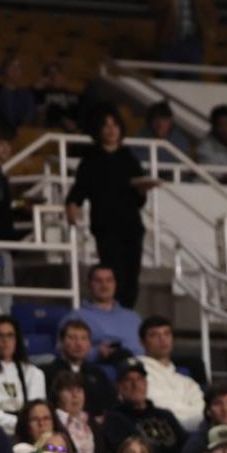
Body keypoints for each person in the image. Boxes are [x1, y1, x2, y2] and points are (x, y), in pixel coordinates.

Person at [65, 107, 153, 309]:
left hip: (131, 225)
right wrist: (72, 205)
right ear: (99, 130)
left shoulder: (128, 157)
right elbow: (80, 189)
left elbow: (139, 200)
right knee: (114, 273)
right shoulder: (91, 159)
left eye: (115, 125)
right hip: (106, 226)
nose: (111, 130)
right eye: (106, 126)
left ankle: (127, 314)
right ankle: (113, 311)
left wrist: (142, 190)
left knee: (132, 275)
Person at [0, 315, 47, 435]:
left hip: (28, 433)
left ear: (17, 339)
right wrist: (18, 424)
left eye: (10, 335)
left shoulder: (33, 373)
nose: (5, 341)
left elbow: (37, 411)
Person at [103, 358, 188, 453]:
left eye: (139, 379)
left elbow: (187, 444)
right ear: (119, 387)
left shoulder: (165, 415)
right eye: (128, 380)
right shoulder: (114, 419)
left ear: (146, 383)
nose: (135, 385)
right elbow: (130, 452)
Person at [138, 315, 205, 430]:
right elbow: (156, 406)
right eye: (154, 335)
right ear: (143, 342)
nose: (162, 339)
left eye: (166, 334)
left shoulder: (185, 380)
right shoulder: (138, 371)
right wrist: (189, 412)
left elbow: (203, 409)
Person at [66, 264, 145, 361]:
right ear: (89, 284)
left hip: (143, 368)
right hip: (102, 370)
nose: (104, 285)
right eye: (98, 281)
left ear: (115, 284)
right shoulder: (76, 316)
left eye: (109, 280)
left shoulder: (133, 317)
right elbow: (62, 350)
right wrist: (97, 352)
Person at [43, 317, 117, 416]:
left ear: (89, 344)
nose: (79, 343)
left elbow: (111, 405)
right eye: (72, 338)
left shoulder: (98, 374)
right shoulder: (47, 373)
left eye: (84, 338)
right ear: (61, 342)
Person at [51, 370, 107, 453]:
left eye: (79, 390)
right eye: (69, 390)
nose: (75, 395)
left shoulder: (91, 421)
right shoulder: (52, 421)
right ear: (58, 394)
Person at [0, 54, 38, 130]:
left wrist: (23, 127)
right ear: (4, 71)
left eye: (18, 67)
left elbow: (30, 114)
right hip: (2, 131)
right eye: (12, 66)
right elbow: (8, 117)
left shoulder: (27, 94)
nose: (15, 70)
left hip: (23, 131)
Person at [135, 100, 188, 165]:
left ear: (170, 120)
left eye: (164, 120)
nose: (160, 124)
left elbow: (179, 161)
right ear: (150, 121)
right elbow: (135, 157)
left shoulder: (179, 139)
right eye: (156, 119)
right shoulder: (142, 135)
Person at [35, 61, 84, 132]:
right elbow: (41, 117)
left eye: (57, 73)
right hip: (54, 127)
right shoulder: (42, 94)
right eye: (50, 73)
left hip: (74, 127)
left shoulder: (74, 95)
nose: (54, 76)